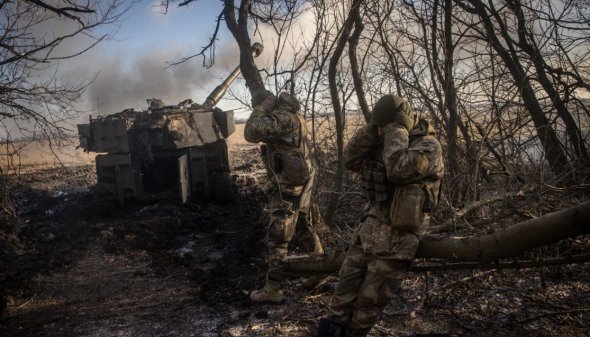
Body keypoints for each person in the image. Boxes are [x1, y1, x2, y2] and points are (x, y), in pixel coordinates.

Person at [316, 95, 444, 337]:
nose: (382, 130)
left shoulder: (428, 147)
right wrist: (373, 130)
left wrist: (396, 130)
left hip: (398, 240)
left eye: (385, 126)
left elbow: (398, 170)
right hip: (369, 234)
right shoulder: (383, 139)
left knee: (368, 303)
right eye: (380, 126)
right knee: (340, 298)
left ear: (400, 123)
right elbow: (349, 159)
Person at [245, 88, 323, 303]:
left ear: (270, 102)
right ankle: (319, 271)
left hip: (290, 186)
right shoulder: (292, 115)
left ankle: (273, 288)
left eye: (260, 106)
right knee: (303, 227)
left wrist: (261, 109)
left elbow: (251, 132)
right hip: (298, 181)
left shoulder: (283, 118)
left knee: (278, 235)